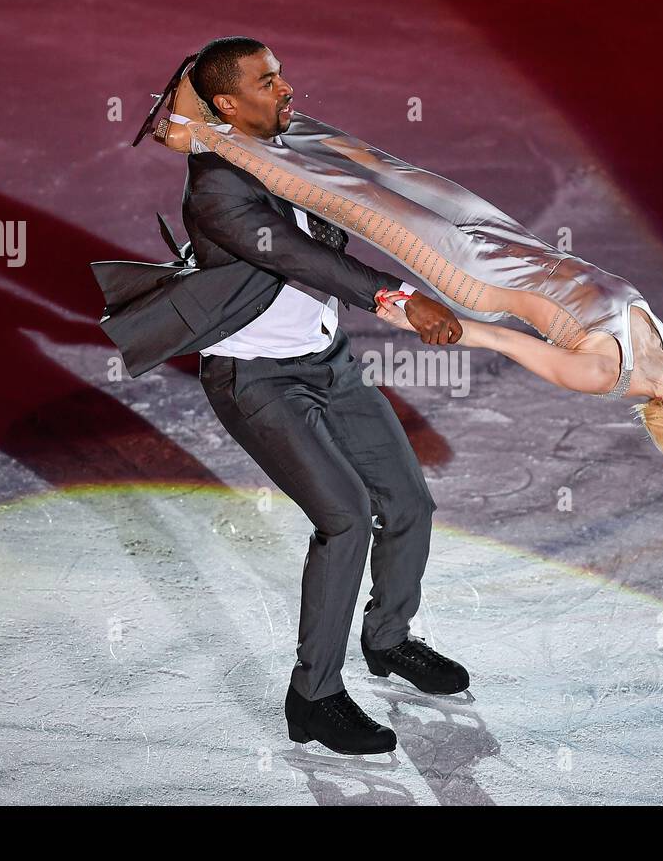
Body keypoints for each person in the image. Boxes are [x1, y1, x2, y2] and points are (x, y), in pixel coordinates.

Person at [142, 42, 663, 479]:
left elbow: (503, 342)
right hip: (512, 242)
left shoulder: (605, 376)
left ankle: (198, 133)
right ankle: (261, 121)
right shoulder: (659, 341)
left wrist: (411, 308)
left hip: (473, 273)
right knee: (380, 165)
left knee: (354, 198)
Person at [123, 37, 474, 756]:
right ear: (228, 104)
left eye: (281, 75)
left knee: (408, 501)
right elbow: (298, 255)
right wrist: (398, 297)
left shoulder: (288, 145)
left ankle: (388, 640)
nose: (287, 89)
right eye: (266, 81)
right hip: (256, 379)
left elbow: (359, 199)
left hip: (329, 363)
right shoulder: (216, 189)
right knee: (345, 518)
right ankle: (312, 696)